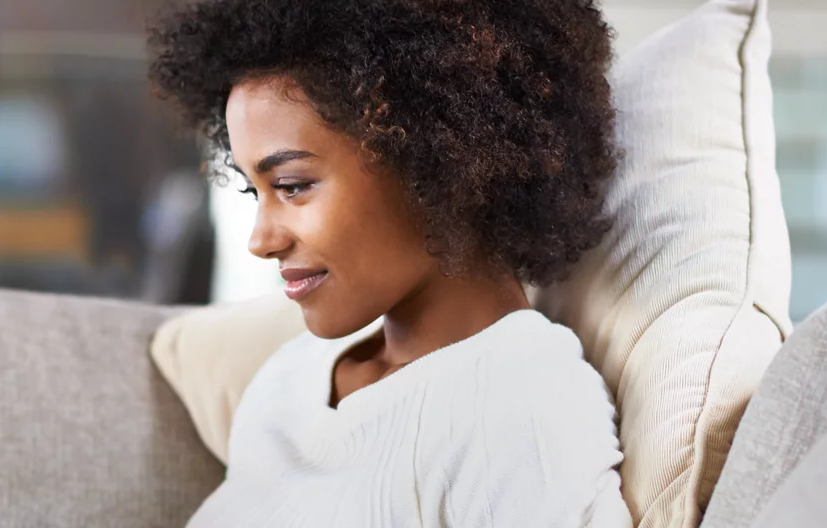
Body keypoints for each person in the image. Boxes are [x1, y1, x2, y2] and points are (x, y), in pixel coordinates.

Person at [148, 0, 629, 525]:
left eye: (292, 186)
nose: (260, 241)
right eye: (253, 190)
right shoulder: (291, 377)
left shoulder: (526, 408)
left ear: (439, 161)